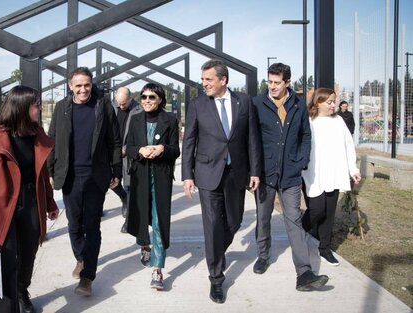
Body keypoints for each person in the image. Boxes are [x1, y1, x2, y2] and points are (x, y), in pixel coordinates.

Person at [182, 59, 261, 303]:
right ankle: (216, 278)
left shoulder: (244, 101)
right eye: (203, 79)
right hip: (207, 173)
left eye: (209, 80)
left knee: (235, 221)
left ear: (223, 80)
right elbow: (189, 142)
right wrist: (187, 175)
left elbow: (252, 138)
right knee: (213, 225)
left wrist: (255, 171)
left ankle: (217, 251)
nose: (204, 84)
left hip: (236, 173)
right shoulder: (197, 104)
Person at [0, 85, 59, 313]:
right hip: (4, 205)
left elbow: (42, 173)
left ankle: (22, 291)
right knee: (5, 260)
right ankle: (7, 308)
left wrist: (50, 203)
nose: (39, 108)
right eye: (35, 104)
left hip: (31, 201)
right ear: (21, 106)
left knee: (29, 252)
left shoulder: (36, 133)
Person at [252, 63, 329, 291]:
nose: (272, 86)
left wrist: (301, 161)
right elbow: (251, 138)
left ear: (287, 83)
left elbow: (306, 135)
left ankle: (304, 272)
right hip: (265, 174)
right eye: (270, 82)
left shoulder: (298, 105)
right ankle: (263, 256)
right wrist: (253, 170)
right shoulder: (257, 104)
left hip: (291, 175)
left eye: (277, 82)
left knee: (294, 220)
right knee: (263, 218)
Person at [47, 67, 122, 297]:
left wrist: (116, 170)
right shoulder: (62, 108)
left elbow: (115, 141)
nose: (83, 89)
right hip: (69, 176)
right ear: (70, 86)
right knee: (73, 224)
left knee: (92, 226)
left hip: (95, 176)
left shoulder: (103, 105)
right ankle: (80, 257)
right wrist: (50, 170)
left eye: (86, 85)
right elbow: (52, 139)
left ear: (92, 84)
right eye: (78, 85)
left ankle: (87, 276)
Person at [126, 83, 180, 290]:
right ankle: (144, 245)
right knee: (141, 217)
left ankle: (157, 269)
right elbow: (128, 147)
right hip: (140, 176)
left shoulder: (170, 121)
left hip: (161, 177)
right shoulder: (135, 119)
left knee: (159, 221)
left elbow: (175, 150)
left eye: (152, 97)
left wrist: (161, 149)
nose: (147, 101)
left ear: (160, 100)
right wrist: (140, 150)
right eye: (144, 97)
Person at [302, 88, 362, 266]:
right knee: (317, 210)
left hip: (334, 173)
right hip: (313, 174)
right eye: (329, 102)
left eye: (334, 101)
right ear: (317, 103)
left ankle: (325, 249)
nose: (333, 105)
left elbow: (348, 146)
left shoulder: (339, 121)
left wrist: (353, 169)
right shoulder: (309, 121)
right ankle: (299, 230)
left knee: (329, 213)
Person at [112, 86, 142, 233]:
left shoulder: (139, 109)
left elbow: (139, 133)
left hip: (130, 153)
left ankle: (128, 220)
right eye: (119, 103)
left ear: (131, 98)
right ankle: (123, 197)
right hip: (113, 152)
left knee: (130, 187)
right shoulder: (111, 107)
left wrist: (128, 149)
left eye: (124, 103)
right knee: (111, 182)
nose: (121, 106)